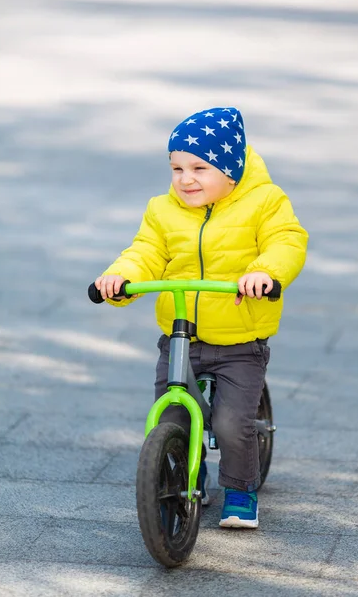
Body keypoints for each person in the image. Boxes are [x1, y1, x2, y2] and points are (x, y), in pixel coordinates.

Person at [95, 107, 308, 529]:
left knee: (230, 423)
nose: (185, 179)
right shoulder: (162, 209)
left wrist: (266, 272)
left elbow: (287, 240)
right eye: (176, 167)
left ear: (231, 172)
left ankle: (241, 488)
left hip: (239, 339)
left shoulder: (265, 202)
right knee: (172, 414)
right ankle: (185, 472)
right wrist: (120, 277)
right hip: (181, 337)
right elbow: (146, 252)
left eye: (199, 167)